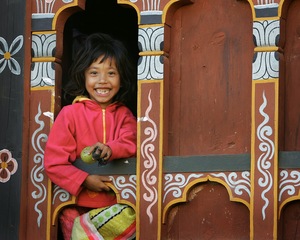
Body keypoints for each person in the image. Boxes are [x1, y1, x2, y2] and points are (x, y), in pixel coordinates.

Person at [44, 33, 137, 240]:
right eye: (94, 73)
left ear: (122, 79)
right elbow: (53, 163)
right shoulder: (70, 115)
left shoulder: (125, 115)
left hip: (117, 206)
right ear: (83, 76)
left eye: (111, 73)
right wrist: (84, 179)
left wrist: (111, 148)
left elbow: (133, 141)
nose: (102, 81)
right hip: (76, 205)